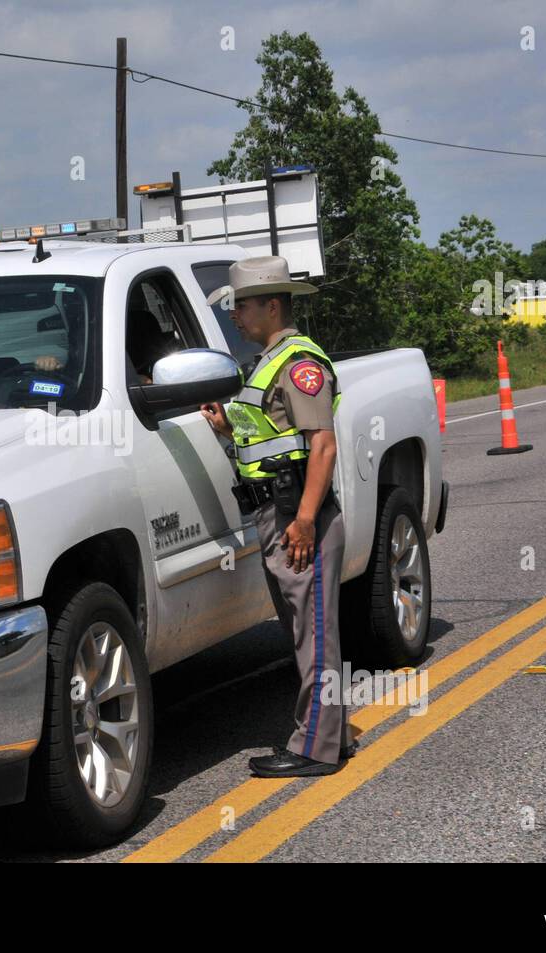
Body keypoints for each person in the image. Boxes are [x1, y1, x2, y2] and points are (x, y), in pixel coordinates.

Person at [200, 256, 355, 778]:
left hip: (295, 517)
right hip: (279, 512)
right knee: (306, 632)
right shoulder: (268, 361)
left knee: (315, 637)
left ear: (271, 305)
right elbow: (273, 439)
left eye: (241, 306)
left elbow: (323, 448)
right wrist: (228, 429)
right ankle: (332, 735)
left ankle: (315, 748)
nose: (235, 316)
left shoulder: (298, 364)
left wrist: (306, 519)